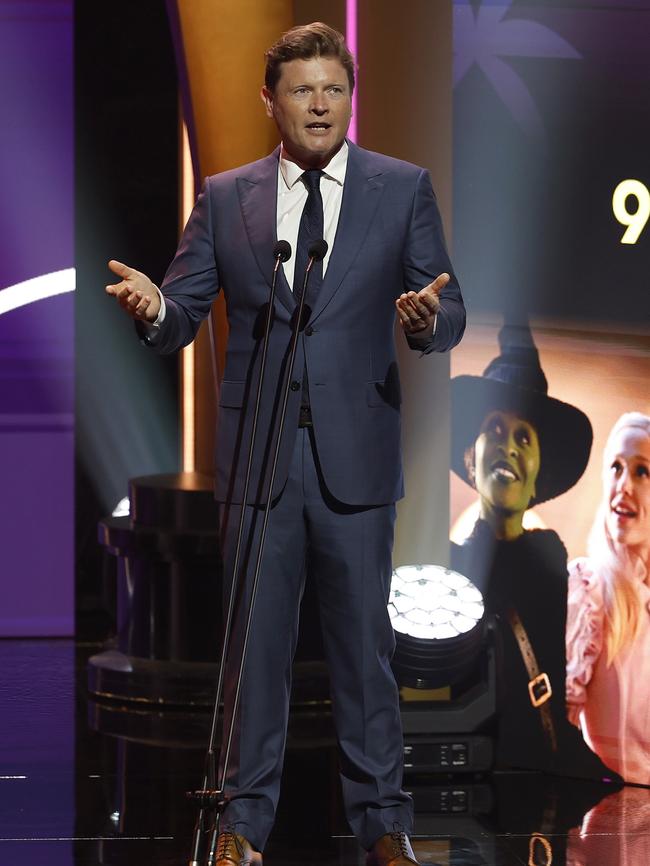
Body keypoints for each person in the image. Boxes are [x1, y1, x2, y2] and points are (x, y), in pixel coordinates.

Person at [105, 22, 465, 866]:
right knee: (252, 655)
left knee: (364, 659)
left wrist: (426, 321)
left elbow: (445, 306)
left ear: (350, 97)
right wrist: (158, 310)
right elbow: (183, 308)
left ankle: (385, 827)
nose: (319, 105)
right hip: (261, 459)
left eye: (333, 90)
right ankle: (240, 825)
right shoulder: (228, 197)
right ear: (270, 101)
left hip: (356, 460)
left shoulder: (400, 187)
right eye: (302, 90)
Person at [450, 323, 616, 779]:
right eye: (496, 429)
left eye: (524, 437)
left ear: (538, 470)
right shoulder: (445, 565)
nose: (508, 446)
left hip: (535, 767)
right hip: (465, 764)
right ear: (471, 456)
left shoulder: (551, 564)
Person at [566, 412, 650, 785]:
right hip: (607, 820)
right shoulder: (588, 589)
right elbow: (557, 734)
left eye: (642, 471)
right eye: (615, 467)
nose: (624, 486)